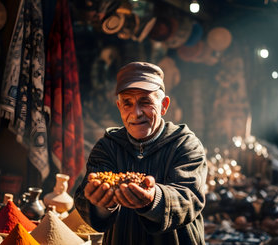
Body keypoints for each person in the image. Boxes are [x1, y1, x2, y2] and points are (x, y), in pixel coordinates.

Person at [74, 62, 208, 244]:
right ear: (119, 107)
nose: (136, 113)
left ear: (164, 105)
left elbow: (189, 198)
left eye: (145, 102)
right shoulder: (107, 146)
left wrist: (154, 198)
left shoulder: (185, 144)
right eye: (127, 104)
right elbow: (85, 198)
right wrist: (100, 204)